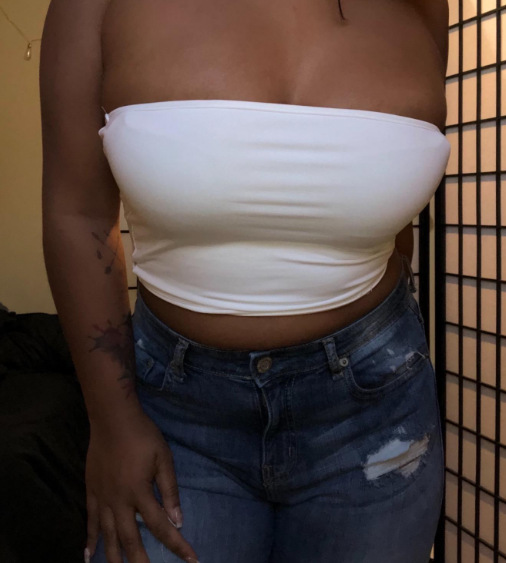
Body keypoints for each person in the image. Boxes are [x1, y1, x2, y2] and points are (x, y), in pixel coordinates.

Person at [40, 0, 451, 562]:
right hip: (173, 414)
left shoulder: (421, 7)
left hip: (377, 409)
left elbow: (386, 218)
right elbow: (77, 215)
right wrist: (111, 422)